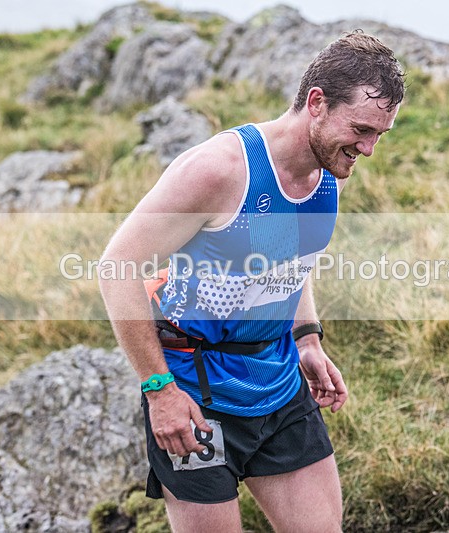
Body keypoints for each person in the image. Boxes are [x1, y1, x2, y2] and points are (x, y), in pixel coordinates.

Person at [99, 30, 404, 532]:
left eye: (380, 135)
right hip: (195, 399)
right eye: (362, 129)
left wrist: (307, 339)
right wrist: (160, 391)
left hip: (279, 387)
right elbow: (117, 267)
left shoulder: (329, 169)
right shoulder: (220, 170)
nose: (368, 149)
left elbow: (291, 262)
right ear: (317, 103)